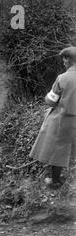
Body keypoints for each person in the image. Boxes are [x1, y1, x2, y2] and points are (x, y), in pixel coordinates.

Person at [30, 47, 76, 189]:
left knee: (57, 149)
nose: (63, 62)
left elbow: (50, 101)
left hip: (63, 120)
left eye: (64, 58)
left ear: (68, 59)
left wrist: (47, 97)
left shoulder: (63, 78)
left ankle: (55, 181)